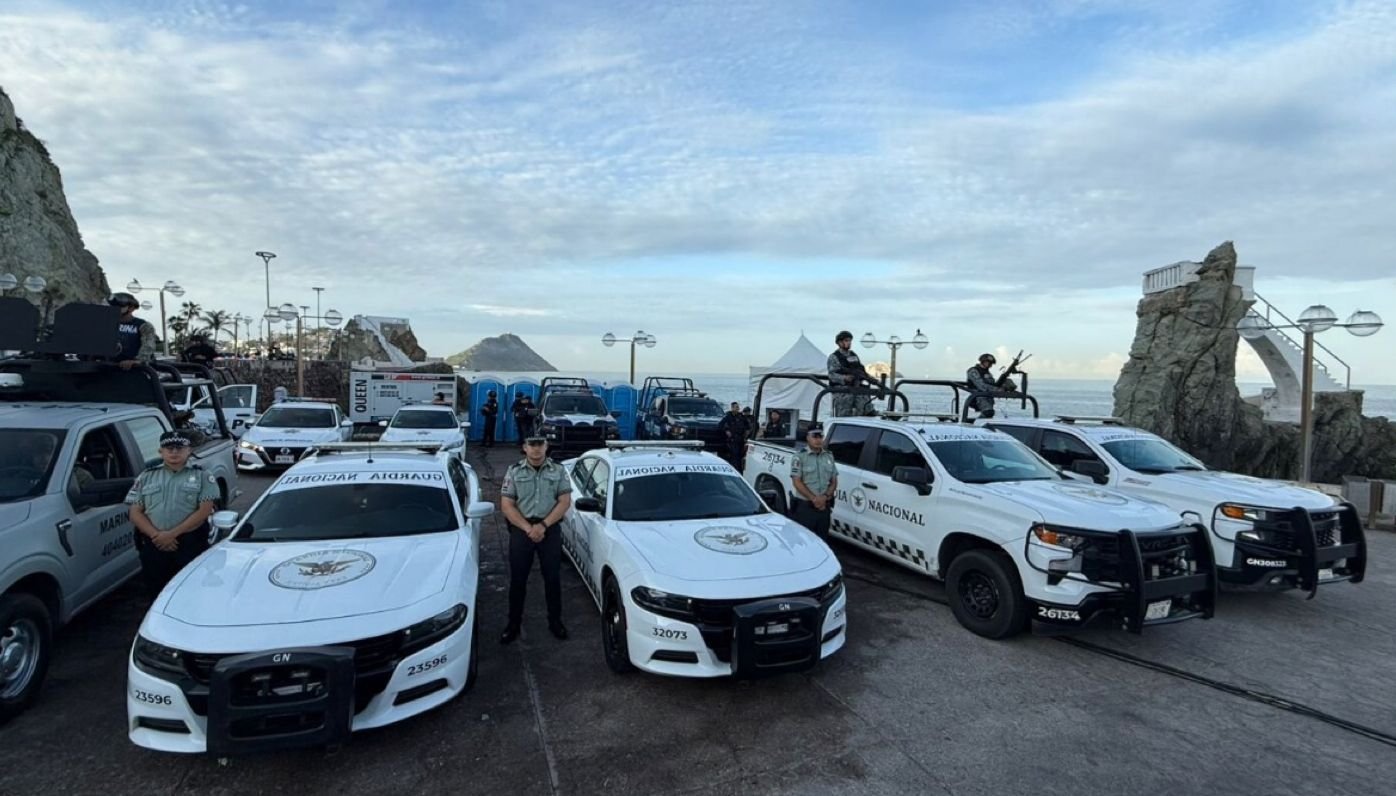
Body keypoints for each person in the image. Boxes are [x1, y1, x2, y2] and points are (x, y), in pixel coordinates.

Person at [124, 430, 219, 596]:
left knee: (190, 591)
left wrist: (171, 534)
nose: (174, 452)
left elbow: (204, 511)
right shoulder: (146, 476)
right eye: (169, 448)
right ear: (160, 451)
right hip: (155, 544)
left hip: (189, 543)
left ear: (189, 450)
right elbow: (135, 513)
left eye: (179, 448)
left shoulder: (202, 476)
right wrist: (157, 536)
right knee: (156, 591)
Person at [499, 436, 573, 643]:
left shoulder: (558, 470)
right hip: (522, 529)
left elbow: (564, 501)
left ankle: (555, 621)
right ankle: (513, 624)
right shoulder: (514, 471)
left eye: (540, 444)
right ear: (525, 447)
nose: (536, 449)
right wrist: (528, 528)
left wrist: (543, 526)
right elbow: (506, 505)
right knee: (518, 580)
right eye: (532, 445)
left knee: (552, 578)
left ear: (546, 446)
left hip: (549, 528)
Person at [790, 426, 837, 539]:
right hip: (806, 508)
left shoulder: (829, 456)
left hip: (824, 508)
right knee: (804, 541)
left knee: (822, 541)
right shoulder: (800, 457)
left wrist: (825, 497)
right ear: (807, 438)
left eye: (820, 436)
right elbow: (797, 482)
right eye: (814, 436)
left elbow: (834, 481)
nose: (818, 439)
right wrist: (814, 499)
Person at [828, 330, 876, 417]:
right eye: (846, 340)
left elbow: (860, 369)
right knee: (844, 414)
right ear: (839, 342)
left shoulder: (853, 355)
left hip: (856, 388)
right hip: (842, 390)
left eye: (850, 340)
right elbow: (832, 375)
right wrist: (844, 378)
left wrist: (869, 378)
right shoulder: (834, 357)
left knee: (864, 407)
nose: (849, 343)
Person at [108, 292, 157, 370]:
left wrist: (137, 361)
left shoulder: (143, 325)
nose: (115, 308)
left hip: (133, 370)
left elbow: (148, 346)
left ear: (131, 308)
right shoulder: (106, 324)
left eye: (119, 306)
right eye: (113, 306)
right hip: (107, 368)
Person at [966, 353, 1015, 419]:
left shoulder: (988, 373)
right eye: (988, 362)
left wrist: (1004, 385)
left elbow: (992, 384)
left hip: (988, 397)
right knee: (988, 413)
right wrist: (998, 390)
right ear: (983, 361)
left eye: (991, 363)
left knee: (989, 415)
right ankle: (975, 423)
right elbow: (981, 386)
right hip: (978, 397)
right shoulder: (973, 371)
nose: (990, 365)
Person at [718, 401, 747, 466]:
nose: (738, 408)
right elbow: (720, 425)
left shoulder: (741, 416)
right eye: (736, 407)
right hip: (732, 440)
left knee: (740, 456)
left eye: (738, 407)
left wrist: (746, 436)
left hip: (740, 440)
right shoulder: (728, 416)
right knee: (734, 456)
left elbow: (747, 426)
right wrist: (726, 430)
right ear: (732, 408)